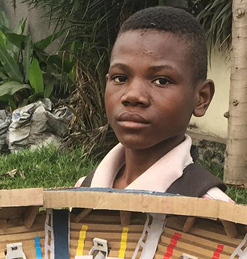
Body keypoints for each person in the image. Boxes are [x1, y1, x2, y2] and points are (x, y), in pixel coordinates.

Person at [75, 6, 231, 202]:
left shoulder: (210, 210)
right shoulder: (81, 191)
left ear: (201, 98)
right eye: (120, 78)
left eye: (161, 81)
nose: (132, 96)